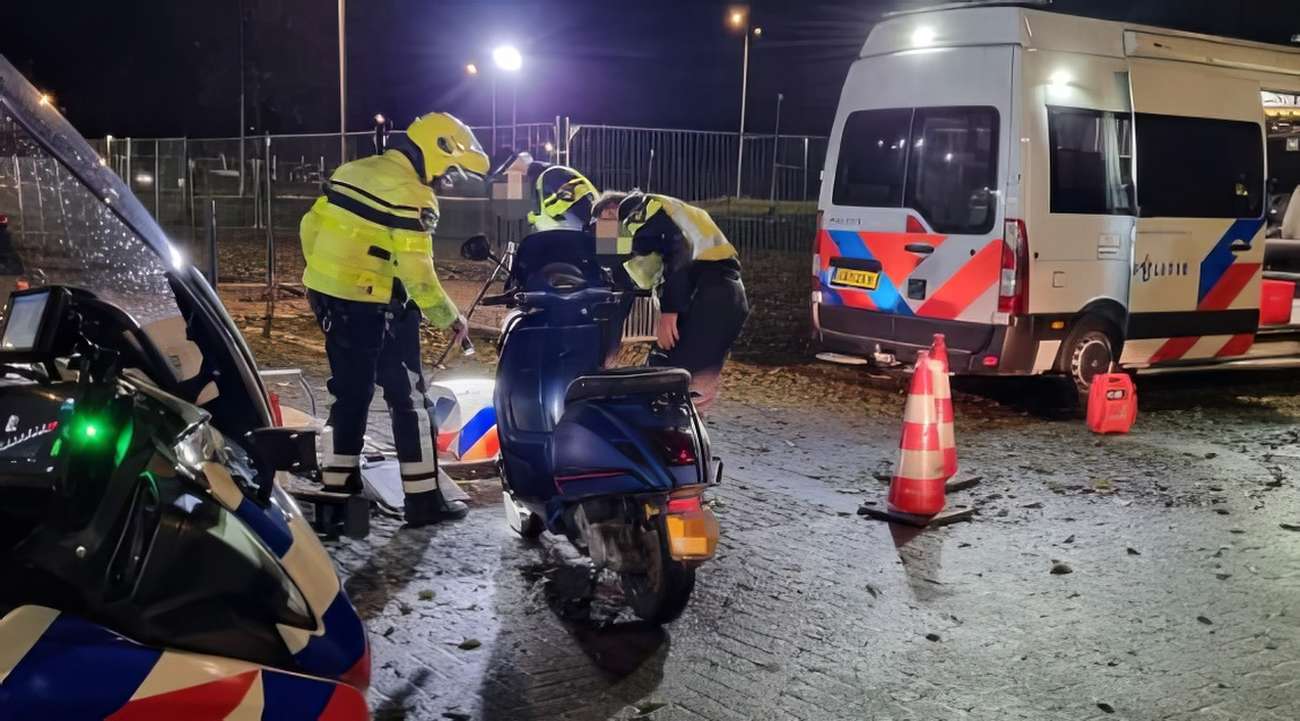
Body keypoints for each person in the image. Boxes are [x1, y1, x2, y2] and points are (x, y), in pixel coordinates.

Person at [299, 111, 489, 527]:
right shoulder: (413, 194)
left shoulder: (352, 170)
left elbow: (310, 226)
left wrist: (329, 281)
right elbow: (417, 274)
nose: (447, 180)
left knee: (348, 394)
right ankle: (423, 500)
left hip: (329, 298)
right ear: (437, 153)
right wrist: (449, 316)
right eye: (451, 170)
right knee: (410, 399)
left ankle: (338, 491)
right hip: (377, 306)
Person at [619, 193, 749, 410]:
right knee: (690, 389)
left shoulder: (642, 212)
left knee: (665, 382)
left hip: (707, 295)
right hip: (729, 294)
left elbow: (679, 248)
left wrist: (669, 311)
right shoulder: (676, 210)